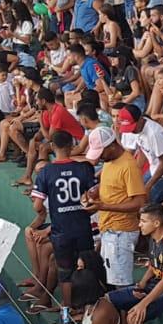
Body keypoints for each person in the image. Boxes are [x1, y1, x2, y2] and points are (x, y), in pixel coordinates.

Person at [25, 130, 98, 308]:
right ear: (71, 146)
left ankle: (67, 309)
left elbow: (37, 205)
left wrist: (44, 212)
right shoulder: (84, 168)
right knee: (87, 268)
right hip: (82, 228)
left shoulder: (46, 172)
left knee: (65, 272)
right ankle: (88, 307)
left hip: (61, 230)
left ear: (52, 147)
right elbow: (94, 197)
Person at [107, 203, 163, 324]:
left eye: (143, 221)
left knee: (133, 318)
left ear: (156, 223)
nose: (139, 225)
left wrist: (143, 303)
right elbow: (153, 264)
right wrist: (141, 285)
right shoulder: (153, 238)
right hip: (152, 286)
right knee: (109, 299)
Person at [83, 126, 146, 288]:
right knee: (112, 279)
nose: (99, 157)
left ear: (111, 146)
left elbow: (139, 203)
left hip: (121, 233)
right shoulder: (110, 161)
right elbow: (113, 185)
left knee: (121, 284)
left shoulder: (128, 166)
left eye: (101, 152)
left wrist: (104, 206)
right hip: (109, 229)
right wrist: (95, 192)